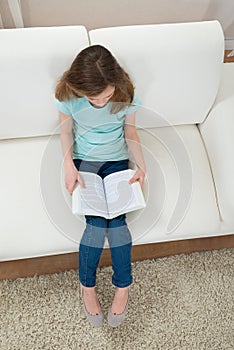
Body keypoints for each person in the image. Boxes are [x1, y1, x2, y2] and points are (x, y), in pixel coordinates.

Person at [54, 45, 146, 328]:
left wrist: (141, 165)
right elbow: (66, 131)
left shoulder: (126, 94)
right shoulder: (68, 97)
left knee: (117, 222)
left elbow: (130, 131)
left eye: (106, 96)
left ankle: (123, 287)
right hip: (85, 163)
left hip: (117, 162)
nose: (101, 102)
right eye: (93, 98)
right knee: (95, 224)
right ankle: (88, 287)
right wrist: (69, 165)